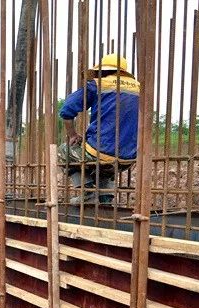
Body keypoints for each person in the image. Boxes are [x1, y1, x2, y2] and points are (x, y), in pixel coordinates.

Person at [59, 53, 140, 204]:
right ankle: (106, 198)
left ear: (103, 71)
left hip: (100, 151)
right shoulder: (140, 89)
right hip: (130, 156)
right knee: (108, 163)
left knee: (65, 151)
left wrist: (73, 135)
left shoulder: (98, 85)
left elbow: (66, 110)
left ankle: (88, 193)